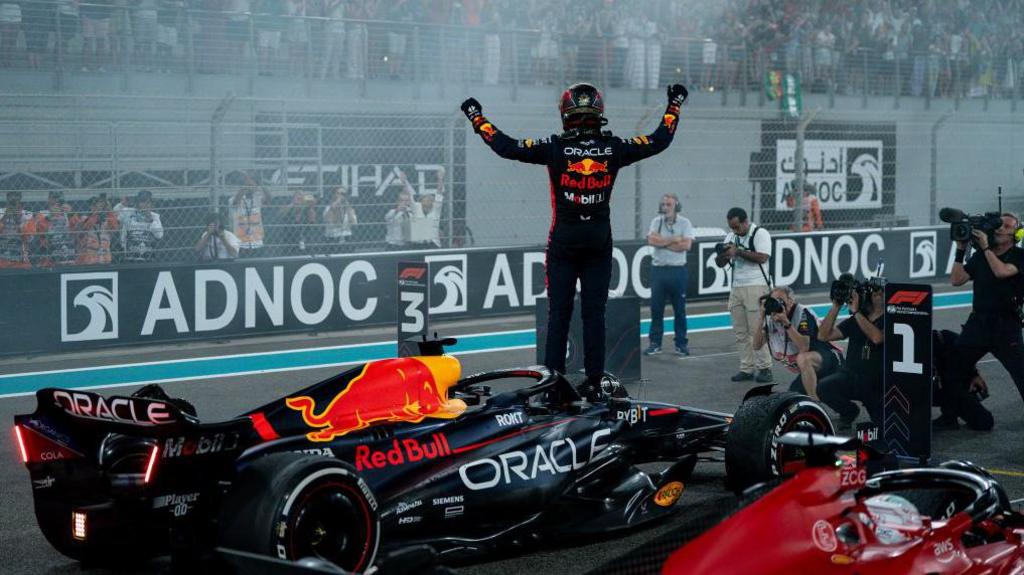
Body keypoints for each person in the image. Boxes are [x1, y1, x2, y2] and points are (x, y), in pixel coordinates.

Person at [461, 82, 687, 395]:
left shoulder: (554, 147)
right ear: (600, 112)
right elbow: (661, 140)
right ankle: (594, 382)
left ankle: (553, 384)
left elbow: (505, 146)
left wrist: (476, 117)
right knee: (594, 315)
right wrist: (674, 104)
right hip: (597, 244)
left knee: (559, 314)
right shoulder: (614, 148)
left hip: (563, 245)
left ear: (566, 113)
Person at [939, 215, 1024, 428]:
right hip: (978, 325)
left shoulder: (1019, 256)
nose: (1000, 228)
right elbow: (956, 280)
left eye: (1006, 226)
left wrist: (985, 248)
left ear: (1017, 234)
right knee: (952, 370)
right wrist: (961, 249)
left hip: (1006, 327)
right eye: (999, 224)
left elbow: (1002, 272)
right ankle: (950, 415)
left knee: (1021, 374)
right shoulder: (981, 256)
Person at [715, 207, 774, 383]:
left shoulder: (760, 233)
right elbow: (720, 264)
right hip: (737, 287)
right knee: (740, 331)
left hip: (757, 286)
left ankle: (765, 367)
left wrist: (738, 251)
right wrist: (723, 255)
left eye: (736, 227)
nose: (734, 231)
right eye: (731, 227)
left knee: (756, 330)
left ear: (745, 221)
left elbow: (763, 257)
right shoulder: (731, 237)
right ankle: (746, 368)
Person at [754, 285, 843, 399]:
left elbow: (803, 347)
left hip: (830, 360)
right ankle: (848, 410)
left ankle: (814, 403)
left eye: (781, 300)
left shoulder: (802, 313)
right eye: (774, 300)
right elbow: (756, 345)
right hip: (810, 369)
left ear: (790, 301)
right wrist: (761, 317)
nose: (777, 304)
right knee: (795, 396)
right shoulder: (771, 318)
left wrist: (786, 323)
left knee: (803, 359)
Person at [817, 284, 885, 430]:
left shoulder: (890, 319)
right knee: (824, 387)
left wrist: (856, 313)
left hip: (876, 383)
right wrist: (836, 306)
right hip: (851, 376)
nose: (877, 294)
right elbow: (823, 336)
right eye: (874, 292)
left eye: (881, 292)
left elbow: (877, 338)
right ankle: (849, 412)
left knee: (883, 427)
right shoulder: (857, 319)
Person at [645, 192, 694, 356]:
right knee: (656, 309)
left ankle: (681, 343)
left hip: (677, 271)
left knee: (679, 309)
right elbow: (652, 241)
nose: (665, 207)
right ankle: (655, 343)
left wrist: (662, 242)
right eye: (663, 205)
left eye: (669, 205)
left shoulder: (685, 223)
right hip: (658, 271)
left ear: (676, 206)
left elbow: (686, 245)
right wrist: (674, 239)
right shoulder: (656, 221)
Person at [932, 329, 993, 431]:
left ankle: (949, 416)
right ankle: (949, 415)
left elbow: (965, 355)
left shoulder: (946, 340)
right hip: (934, 386)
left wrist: (974, 374)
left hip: (949, 386)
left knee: (984, 422)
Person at [114, 190, 164, 262]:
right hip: (129, 255)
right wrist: (122, 204)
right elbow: (115, 213)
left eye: (148, 202)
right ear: (137, 203)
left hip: (147, 256)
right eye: (143, 201)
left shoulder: (155, 216)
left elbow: (159, 235)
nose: (146, 204)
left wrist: (150, 219)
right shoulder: (128, 212)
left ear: (151, 204)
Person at [230, 175, 271, 257]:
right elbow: (235, 203)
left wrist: (261, 185)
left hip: (257, 241)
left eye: (252, 186)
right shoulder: (233, 199)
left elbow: (268, 198)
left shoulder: (257, 198)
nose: (250, 188)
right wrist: (245, 187)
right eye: (248, 185)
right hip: (241, 243)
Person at [35, 190, 79, 267]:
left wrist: (71, 214)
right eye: (54, 198)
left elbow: (78, 229)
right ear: (49, 199)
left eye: (59, 198)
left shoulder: (68, 213)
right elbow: (39, 230)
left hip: (68, 253)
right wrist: (50, 216)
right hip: (49, 256)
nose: (57, 200)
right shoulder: (42, 213)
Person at [406, 167, 445, 249]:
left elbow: (439, 193)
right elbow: (410, 196)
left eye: (430, 199)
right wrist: (404, 182)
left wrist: (440, 179)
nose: (428, 200)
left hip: (432, 244)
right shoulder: (416, 207)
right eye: (425, 198)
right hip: (418, 244)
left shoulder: (436, 209)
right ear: (421, 201)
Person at [74, 195, 119, 265]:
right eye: (94, 205)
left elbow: (115, 227)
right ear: (90, 206)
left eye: (100, 206)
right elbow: (85, 227)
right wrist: (96, 215)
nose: (97, 207)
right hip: (90, 255)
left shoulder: (108, 218)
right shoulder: (84, 217)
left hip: (105, 255)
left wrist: (109, 211)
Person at [0, 191, 36, 269]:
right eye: (11, 196)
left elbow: (29, 238)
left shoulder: (28, 214)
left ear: (20, 198)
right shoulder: (1, 212)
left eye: (16, 196)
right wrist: (4, 217)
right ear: (7, 198)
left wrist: (18, 221)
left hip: (20, 259)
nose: (13, 199)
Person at [322, 185, 357, 250]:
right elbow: (329, 221)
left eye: (343, 194)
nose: (341, 195)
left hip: (347, 237)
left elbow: (354, 223)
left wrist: (348, 207)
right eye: (338, 193)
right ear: (334, 195)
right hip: (332, 237)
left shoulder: (350, 209)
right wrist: (335, 205)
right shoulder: (328, 208)